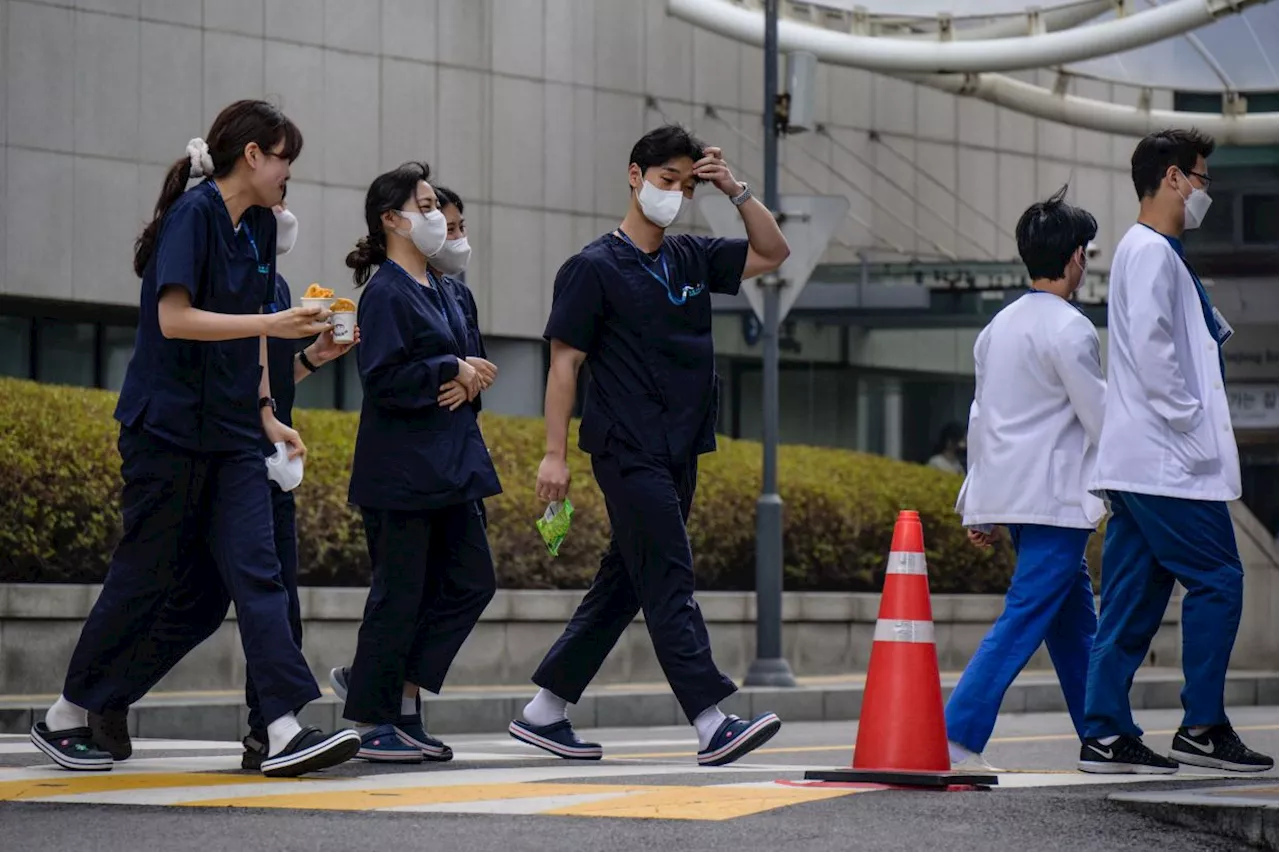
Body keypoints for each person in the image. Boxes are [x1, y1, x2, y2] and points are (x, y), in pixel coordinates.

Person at [30, 100, 360, 778]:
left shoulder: (262, 228)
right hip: (167, 431)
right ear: (252, 156)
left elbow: (252, 338)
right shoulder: (194, 216)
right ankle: (66, 714)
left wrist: (268, 410)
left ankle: (283, 727)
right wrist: (272, 325)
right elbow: (176, 320)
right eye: (283, 158)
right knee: (144, 577)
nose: (288, 173)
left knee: (260, 574)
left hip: (234, 433)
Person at [510, 124, 790, 767]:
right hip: (624, 446)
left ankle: (545, 710)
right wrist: (553, 455)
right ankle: (710, 719)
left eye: (686, 184)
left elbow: (773, 253)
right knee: (667, 572)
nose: (676, 193)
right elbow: (563, 365)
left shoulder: (691, 256)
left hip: (680, 444)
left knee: (627, 580)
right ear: (635, 177)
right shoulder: (590, 268)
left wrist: (736, 190)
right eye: (667, 181)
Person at [1082, 128, 1274, 774]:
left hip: (1144, 462)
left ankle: (1105, 732)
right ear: (1171, 179)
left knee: (1134, 596)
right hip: (1167, 463)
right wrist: (1193, 426)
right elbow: (1158, 355)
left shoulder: (1156, 253)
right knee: (1220, 579)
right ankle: (1203, 726)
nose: (1203, 191)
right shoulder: (1151, 254)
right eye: (1200, 178)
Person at [333, 162, 501, 763]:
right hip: (401, 472)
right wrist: (448, 370)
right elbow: (382, 378)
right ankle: (376, 718)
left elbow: (470, 361)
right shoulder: (383, 292)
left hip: (452, 466)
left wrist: (470, 376)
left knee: (470, 582)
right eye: (426, 207)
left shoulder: (445, 288)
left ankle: (391, 691)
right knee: (399, 594)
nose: (436, 218)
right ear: (391, 220)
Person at [945, 186, 1104, 769]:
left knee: (1073, 624)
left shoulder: (997, 328)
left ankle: (1105, 735)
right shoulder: (1071, 329)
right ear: (1075, 258)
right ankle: (955, 736)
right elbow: (1101, 420)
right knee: (1026, 617)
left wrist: (979, 506)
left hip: (1016, 499)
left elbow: (981, 421)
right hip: (1058, 501)